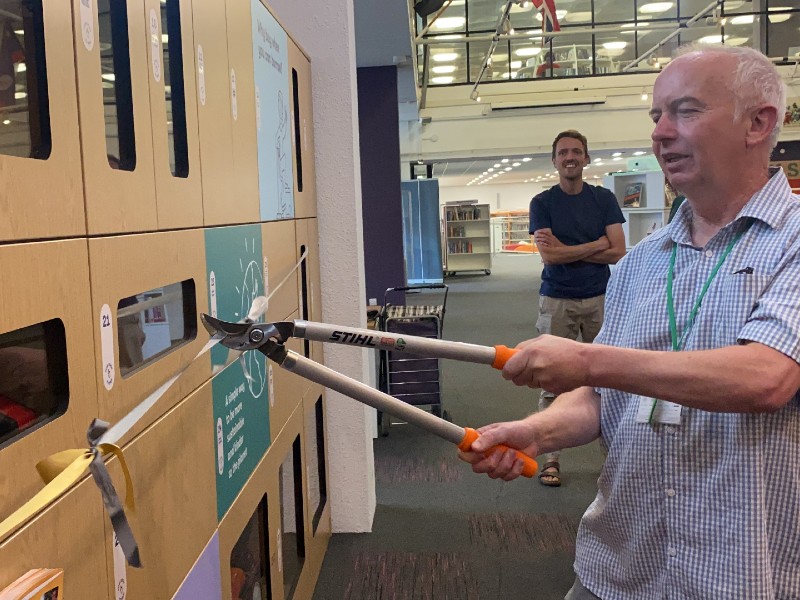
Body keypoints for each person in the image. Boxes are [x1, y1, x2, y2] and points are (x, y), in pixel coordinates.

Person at [462, 44, 800, 599]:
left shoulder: (791, 242)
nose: (661, 132)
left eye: (686, 111)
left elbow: (766, 378)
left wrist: (589, 359)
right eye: (656, 116)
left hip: (742, 573)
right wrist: (533, 432)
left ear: (758, 123)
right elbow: (601, 397)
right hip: (618, 569)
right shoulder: (643, 261)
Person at [528, 130, 626, 486]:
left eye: (577, 152)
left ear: (586, 159)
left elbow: (618, 250)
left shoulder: (603, 199)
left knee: (610, 381)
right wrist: (596, 242)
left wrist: (569, 249)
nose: (570, 157)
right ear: (554, 160)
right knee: (551, 380)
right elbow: (549, 256)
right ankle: (550, 459)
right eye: (563, 152)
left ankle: (615, 460)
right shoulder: (542, 203)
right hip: (556, 300)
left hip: (602, 297)